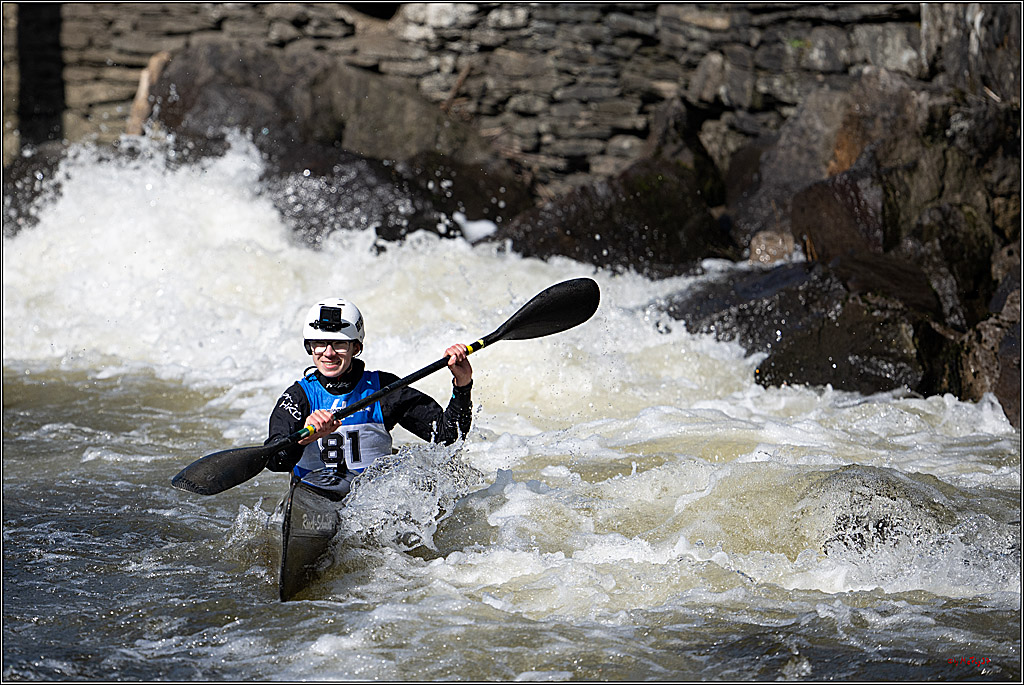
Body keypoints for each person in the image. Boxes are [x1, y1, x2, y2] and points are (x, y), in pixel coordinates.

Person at [265, 297, 473, 495]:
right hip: (312, 498)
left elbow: (448, 436)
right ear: (309, 346)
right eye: (320, 343)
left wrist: (462, 384)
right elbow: (275, 461)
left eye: (339, 344)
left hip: (369, 503)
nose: (328, 353)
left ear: (356, 347)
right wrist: (303, 439)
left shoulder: (384, 390)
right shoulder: (297, 397)